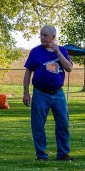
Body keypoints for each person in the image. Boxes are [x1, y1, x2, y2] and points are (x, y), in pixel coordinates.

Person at [23, 25, 74, 161]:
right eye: (41, 35)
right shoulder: (35, 52)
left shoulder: (62, 50)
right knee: (38, 125)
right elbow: (28, 72)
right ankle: (41, 155)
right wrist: (26, 93)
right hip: (40, 94)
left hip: (58, 94)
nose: (42, 38)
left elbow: (69, 68)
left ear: (53, 37)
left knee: (63, 123)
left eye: (45, 35)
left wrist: (58, 52)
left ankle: (63, 153)